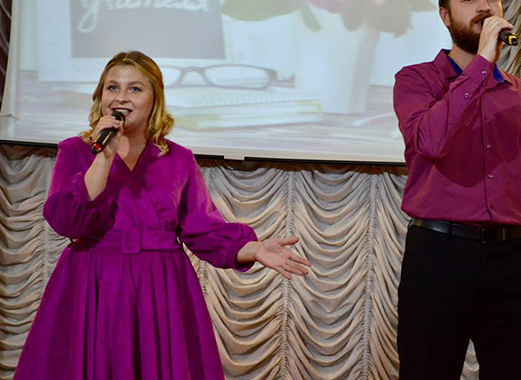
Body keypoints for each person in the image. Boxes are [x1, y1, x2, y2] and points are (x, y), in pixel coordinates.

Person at [15, 51, 311, 379]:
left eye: (134, 89)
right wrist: (103, 158)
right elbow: (66, 221)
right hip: (92, 282)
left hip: (160, 288)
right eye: (112, 88)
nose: (121, 97)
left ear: (154, 98)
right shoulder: (75, 151)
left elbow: (202, 229)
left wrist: (253, 248)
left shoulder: (179, 158)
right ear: (100, 97)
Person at [393, 0, 521, 380]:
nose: (484, 6)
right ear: (445, 16)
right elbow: (431, 141)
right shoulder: (416, 80)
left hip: (514, 261)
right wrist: (482, 62)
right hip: (439, 254)